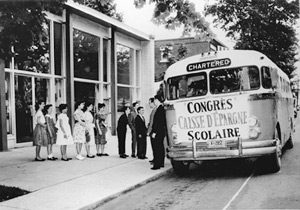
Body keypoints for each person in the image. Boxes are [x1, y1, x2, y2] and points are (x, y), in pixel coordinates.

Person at [150, 95, 166, 170]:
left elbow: (158, 122)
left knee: (157, 148)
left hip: (158, 132)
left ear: (157, 100)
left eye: (155, 100)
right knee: (160, 147)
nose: (154, 102)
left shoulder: (160, 109)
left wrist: (154, 132)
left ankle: (157, 164)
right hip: (161, 132)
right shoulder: (161, 108)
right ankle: (161, 162)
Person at [147, 97, 157, 164]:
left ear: (153, 103)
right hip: (153, 130)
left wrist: (149, 131)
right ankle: (155, 158)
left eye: (150, 103)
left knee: (155, 146)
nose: (149, 104)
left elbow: (152, 122)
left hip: (153, 131)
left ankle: (156, 159)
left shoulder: (154, 110)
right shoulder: (154, 110)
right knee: (154, 146)